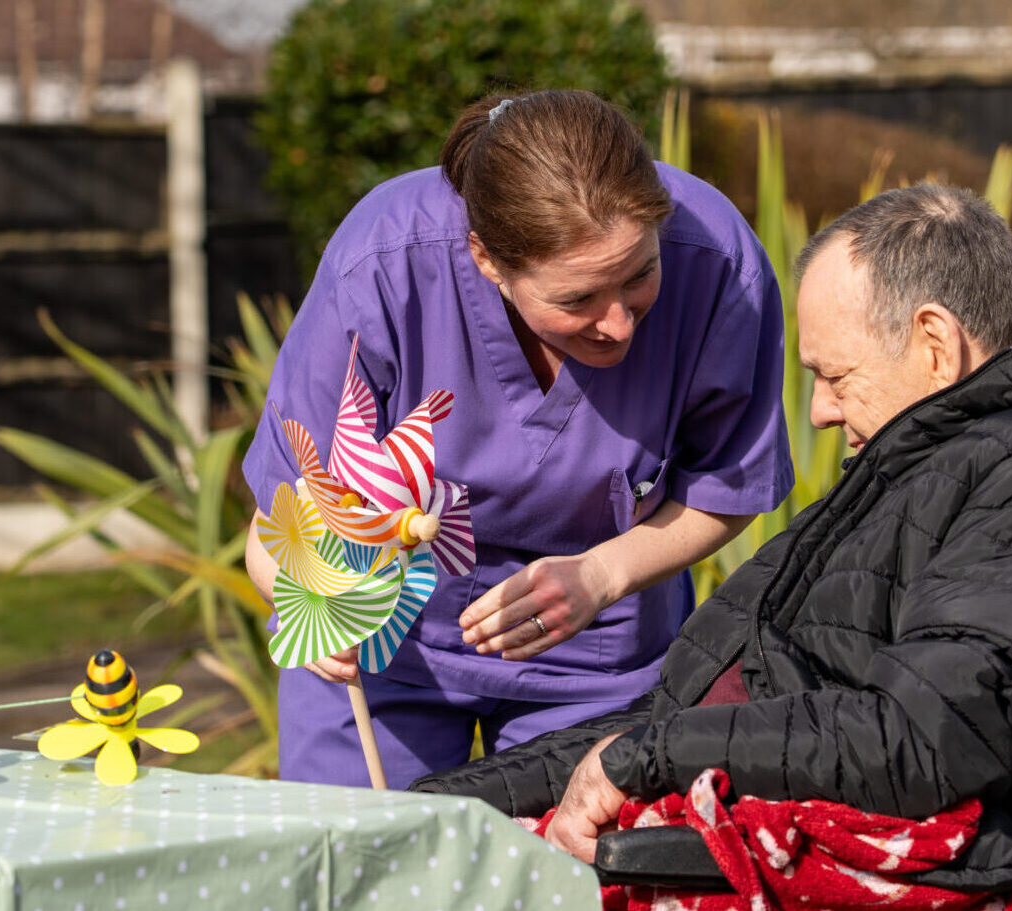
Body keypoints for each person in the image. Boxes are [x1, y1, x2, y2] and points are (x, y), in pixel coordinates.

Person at [411, 183, 1012, 889]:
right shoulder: (936, 457)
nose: (821, 411)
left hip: (791, 852)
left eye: (836, 375)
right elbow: (679, 710)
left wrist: (643, 759)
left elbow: (927, 738)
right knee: (418, 834)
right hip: (712, 800)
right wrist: (433, 806)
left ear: (934, 343)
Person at [241, 90, 794, 788]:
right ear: (486, 259)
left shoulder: (719, 264)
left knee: (574, 884)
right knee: (360, 874)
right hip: (385, 649)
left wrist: (602, 574)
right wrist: (313, 603)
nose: (620, 323)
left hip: (599, 657)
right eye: (577, 300)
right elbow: (282, 516)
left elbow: (729, 481)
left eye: (640, 275)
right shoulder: (381, 264)